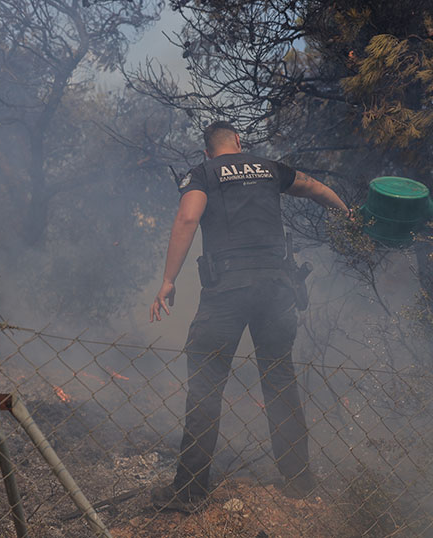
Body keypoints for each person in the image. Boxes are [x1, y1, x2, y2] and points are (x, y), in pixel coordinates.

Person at [149, 121, 349, 512]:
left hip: (227, 291)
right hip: (275, 289)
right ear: (239, 143)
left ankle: (190, 490)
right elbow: (312, 186)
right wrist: (345, 211)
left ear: (208, 151)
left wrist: (168, 280)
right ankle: (298, 482)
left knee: (206, 384)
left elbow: (188, 219)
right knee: (279, 381)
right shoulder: (269, 167)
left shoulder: (203, 173)